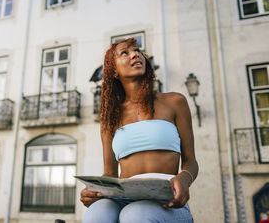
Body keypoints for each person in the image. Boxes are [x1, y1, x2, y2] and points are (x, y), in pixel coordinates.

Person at [81, 37, 199, 223]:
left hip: (165, 200)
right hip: (121, 198)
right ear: (114, 71)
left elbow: (191, 161)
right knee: (97, 213)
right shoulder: (109, 117)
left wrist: (184, 179)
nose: (136, 54)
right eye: (125, 53)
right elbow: (109, 174)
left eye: (137, 50)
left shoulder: (175, 102)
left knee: (135, 215)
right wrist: (95, 193)